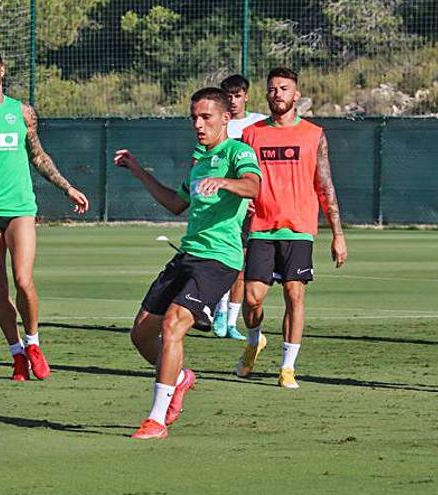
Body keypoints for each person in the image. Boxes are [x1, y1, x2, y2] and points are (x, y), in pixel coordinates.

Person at [114, 88, 261, 439]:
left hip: (219, 259)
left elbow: (253, 186)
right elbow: (176, 203)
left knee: (174, 325)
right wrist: (138, 171)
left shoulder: (238, 152)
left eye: (206, 117)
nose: (198, 124)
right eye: (194, 117)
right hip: (188, 255)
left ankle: (156, 419)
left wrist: (225, 182)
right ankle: (180, 379)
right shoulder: (199, 159)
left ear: (226, 118)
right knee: (141, 334)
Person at [0, 46, 89, 381]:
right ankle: (17, 353)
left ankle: (34, 342)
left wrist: (67, 188)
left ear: (2, 70)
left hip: (20, 208)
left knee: (23, 279)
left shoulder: (22, 112)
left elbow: (38, 156)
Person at [235, 67, 348, 388]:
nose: (277, 94)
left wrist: (338, 235)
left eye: (283, 89)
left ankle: (287, 368)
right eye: (272, 89)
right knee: (253, 298)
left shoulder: (313, 134)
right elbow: (242, 178)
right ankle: (254, 340)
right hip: (260, 228)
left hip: (298, 229)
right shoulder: (252, 134)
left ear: (296, 95)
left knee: (294, 294)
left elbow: (325, 186)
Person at [211, 74, 269, 340]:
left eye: (237, 95)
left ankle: (231, 321)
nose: (233, 101)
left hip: (250, 205)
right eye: (229, 96)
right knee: (220, 259)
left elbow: (261, 169)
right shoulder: (216, 124)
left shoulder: (258, 124)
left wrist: (253, 199)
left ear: (246, 96)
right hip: (223, 204)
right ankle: (219, 312)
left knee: (241, 263)